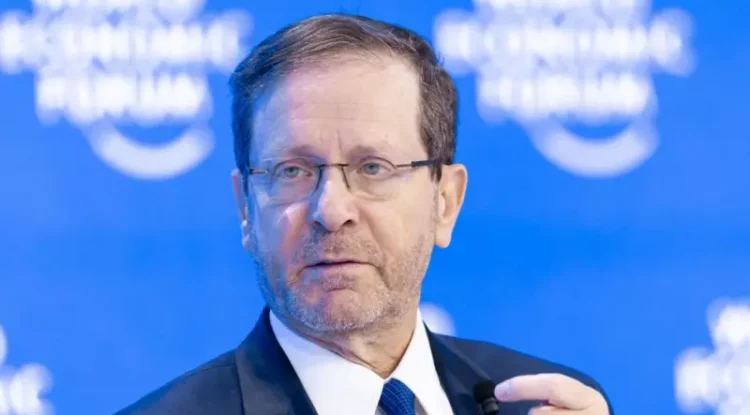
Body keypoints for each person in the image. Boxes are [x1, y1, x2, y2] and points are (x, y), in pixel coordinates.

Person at [115, 13, 613, 415]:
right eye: (293, 171)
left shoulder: (543, 403)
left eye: (373, 167)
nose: (331, 210)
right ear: (246, 207)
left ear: (445, 201)